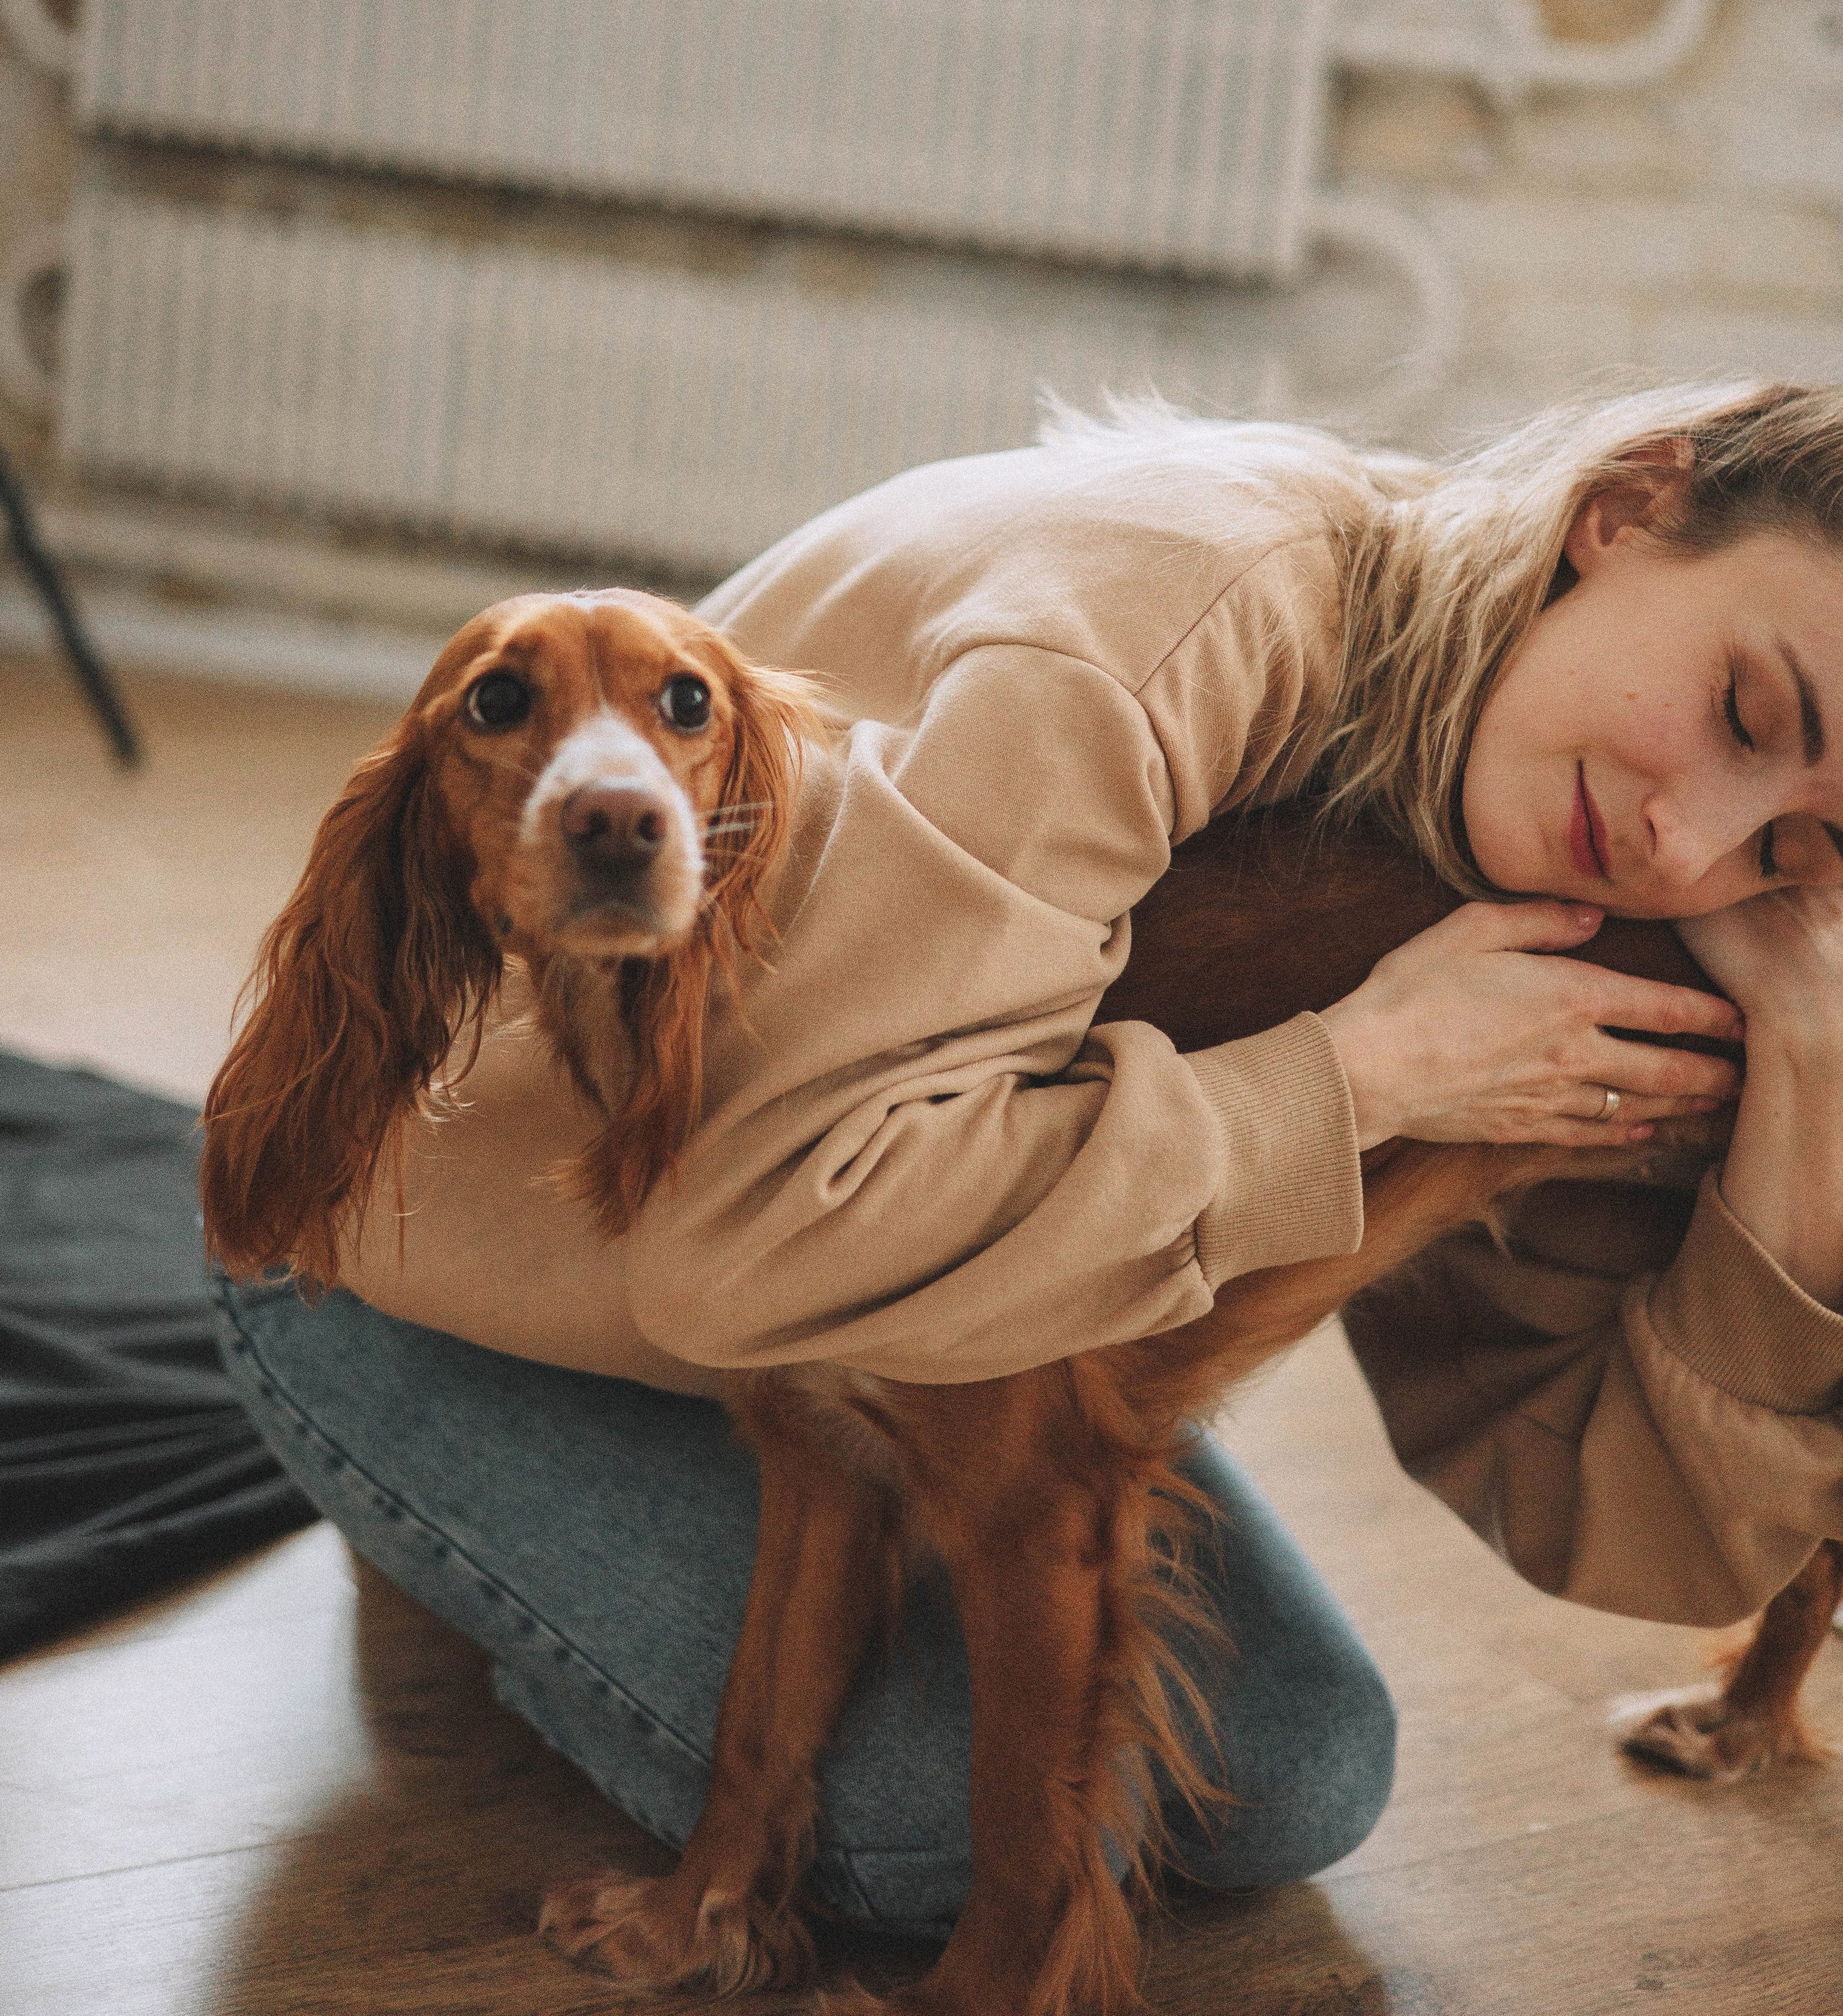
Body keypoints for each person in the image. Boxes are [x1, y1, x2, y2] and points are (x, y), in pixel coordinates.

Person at [211, 379, 1843, 1933]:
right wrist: (1359, 1075)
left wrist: (1808, 1063)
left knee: (1294, 1780)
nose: (1685, 841)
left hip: (909, 1278)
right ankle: (427, 1494)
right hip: (433, 1246)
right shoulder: (1173, 607)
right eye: (1742, 710)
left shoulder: (1574, 872)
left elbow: (1613, 1520)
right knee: (941, 1827)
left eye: (1799, 843)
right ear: (1626, 509)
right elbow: (736, 1262)